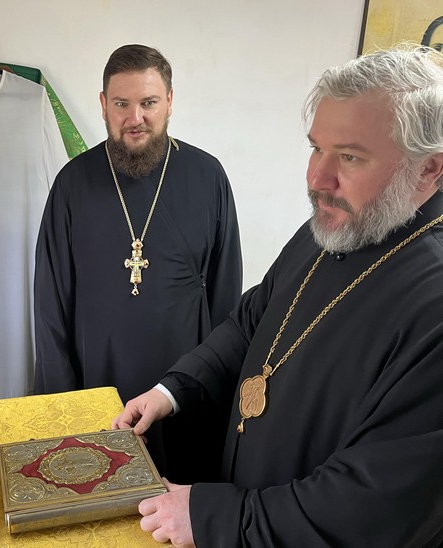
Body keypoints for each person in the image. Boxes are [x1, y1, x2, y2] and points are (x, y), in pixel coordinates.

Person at [112, 45, 443, 547]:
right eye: (316, 148)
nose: (317, 179)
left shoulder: (432, 299)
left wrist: (214, 518)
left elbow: (376, 504)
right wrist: (173, 390)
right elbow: (251, 320)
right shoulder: (335, 226)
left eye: (350, 157)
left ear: (428, 170)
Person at [33, 44, 242, 483]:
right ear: (103, 104)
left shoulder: (208, 177)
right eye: (121, 104)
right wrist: (65, 405)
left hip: (183, 388)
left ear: (170, 101)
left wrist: (215, 385)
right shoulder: (72, 184)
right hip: (97, 387)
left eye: (148, 103)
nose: (135, 118)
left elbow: (227, 301)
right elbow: (50, 304)